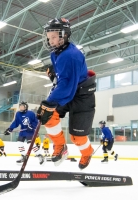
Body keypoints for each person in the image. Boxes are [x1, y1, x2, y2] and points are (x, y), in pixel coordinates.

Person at [36, 18, 96, 170]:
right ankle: (60, 146)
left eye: (54, 37)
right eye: (49, 37)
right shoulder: (56, 53)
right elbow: (64, 79)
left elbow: (66, 86)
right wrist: (56, 73)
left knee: (77, 137)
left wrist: (49, 102)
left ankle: (87, 152)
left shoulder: (70, 55)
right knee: (49, 116)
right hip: (70, 90)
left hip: (82, 96)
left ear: (64, 35)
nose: (51, 41)